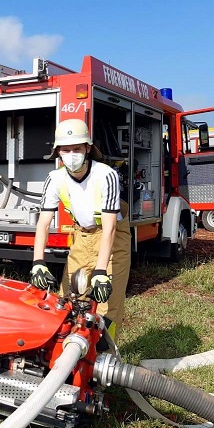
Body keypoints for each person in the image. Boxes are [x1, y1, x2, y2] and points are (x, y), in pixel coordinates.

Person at [30, 118, 131, 340]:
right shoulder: (54, 179)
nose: (72, 154)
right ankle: (69, 352)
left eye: (77, 148)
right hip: (81, 236)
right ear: (58, 152)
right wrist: (38, 262)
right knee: (70, 298)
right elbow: (44, 223)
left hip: (112, 240)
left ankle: (106, 355)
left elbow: (110, 228)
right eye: (66, 150)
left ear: (88, 148)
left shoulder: (106, 175)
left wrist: (101, 271)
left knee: (106, 304)